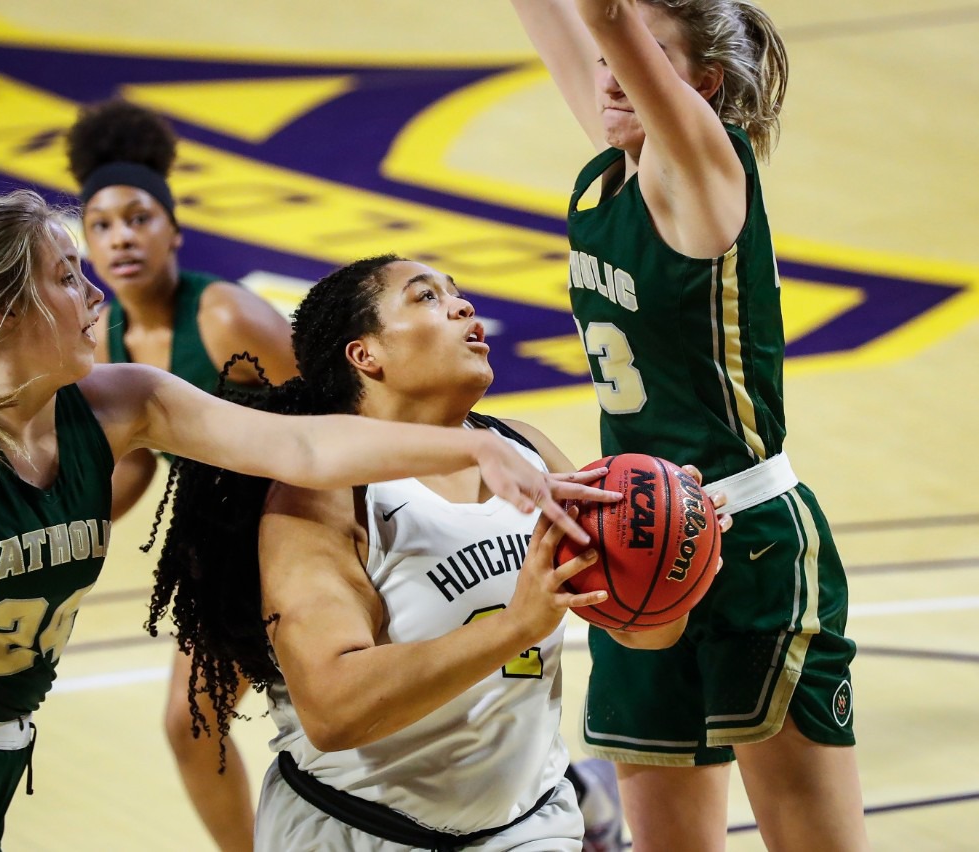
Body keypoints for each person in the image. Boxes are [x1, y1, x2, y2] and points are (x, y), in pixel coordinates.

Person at [0, 193, 603, 851]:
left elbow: (300, 448)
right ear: (2, 314)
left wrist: (466, 453)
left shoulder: (119, 405)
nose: (97, 293)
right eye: (69, 276)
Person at [146, 255, 724, 850]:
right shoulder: (320, 499)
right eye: (425, 298)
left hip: (529, 826)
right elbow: (332, 708)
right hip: (358, 830)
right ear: (365, 354)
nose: (462, 306)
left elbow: (642, 630)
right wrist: (517, 625)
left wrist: (678, 554)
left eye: (457, 292)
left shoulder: (525, 448)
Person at [510, 1, 867, 850]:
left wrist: (614, 23)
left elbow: (603, 15)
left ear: (701, 84)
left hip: (750, 547)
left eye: (635, 57)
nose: (609, 74)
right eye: (603, 60)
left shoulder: (705, 170)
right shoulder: (611, 169)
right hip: (635, 542)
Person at [66, 98, 297, 852]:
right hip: (223, 547)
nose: (120, 236)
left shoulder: (225, 316)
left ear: (174, 230)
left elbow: (333, 412)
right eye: (100, 224)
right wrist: (64, 521)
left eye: (137, 217)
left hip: (304, 527)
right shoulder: (105, 337)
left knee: (334, 716)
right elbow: (131, 461)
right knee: (190, 724)